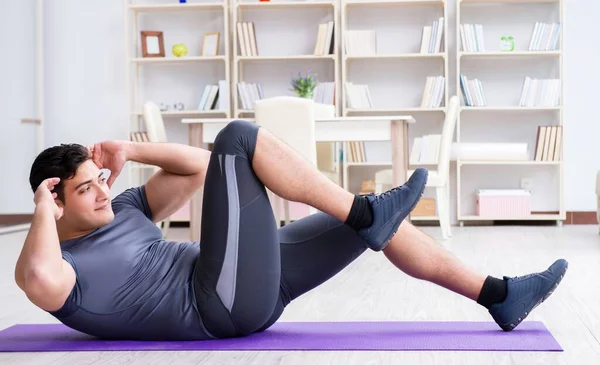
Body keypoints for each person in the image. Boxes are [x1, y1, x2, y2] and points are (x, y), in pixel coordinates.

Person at [16, 120, 567, 341]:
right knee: (237, 137)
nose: (104, 190)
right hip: (218, 303)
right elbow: (35, 275)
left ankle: (498, 295)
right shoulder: (63, 272)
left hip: (245, 280)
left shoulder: (127, 208)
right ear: (54, 201)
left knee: (378, 222)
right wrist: (43, 209)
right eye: (86, 188)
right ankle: (363, 212)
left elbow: (196, 168)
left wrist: (129, 150)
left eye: (100, 179)